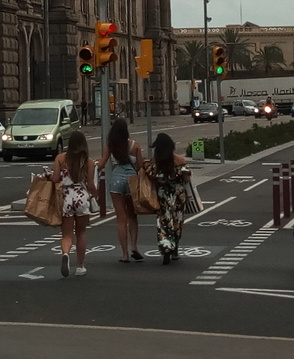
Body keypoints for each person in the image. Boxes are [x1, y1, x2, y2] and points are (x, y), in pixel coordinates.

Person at [51, 129, 98, 277]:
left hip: (66, 197)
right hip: (81, 197)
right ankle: (80, 266)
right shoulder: (89, 162)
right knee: (81, 232)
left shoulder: (60, 158)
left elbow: (56, 179)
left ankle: (65, 254)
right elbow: (90, 184)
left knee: (66, 234)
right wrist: (96, 196)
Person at [100, 117, 147, 264]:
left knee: (121, 219)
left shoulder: (111, 145)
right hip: (131, 181)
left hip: (116, 180)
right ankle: (134, 246)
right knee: (132, 216)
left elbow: (102, 163)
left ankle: (124, 254)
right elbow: (140, 166)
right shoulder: (135, 145)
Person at [147, 132, 195, 265]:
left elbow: (151, 176)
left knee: (164, 222)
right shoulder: (179, 160)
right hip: (178, 195)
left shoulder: (156, 162)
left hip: (163, 195)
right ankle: (175, 250)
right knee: (177, 221)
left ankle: (166, 248)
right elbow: (186, 178)